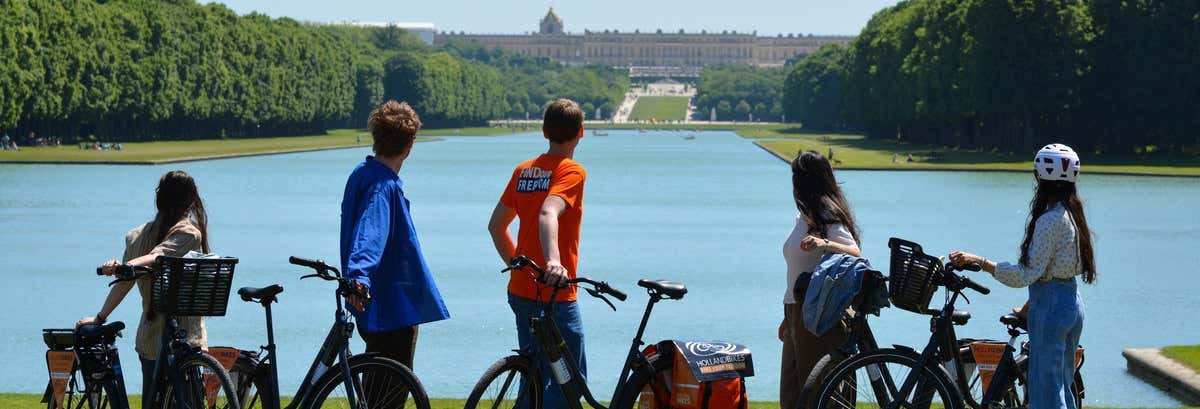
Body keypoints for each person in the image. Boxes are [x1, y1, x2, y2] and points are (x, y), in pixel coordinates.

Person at [949, 143, 1094, 409]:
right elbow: (1051, 272)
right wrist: (1029, 306)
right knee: (1062, 386)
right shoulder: (1072, 214)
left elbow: (1025, 275)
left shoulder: (1050, 219)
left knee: (1046, 394)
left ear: (1040, 178)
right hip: (1070, 301)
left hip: (1051, 307)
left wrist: (981, 262)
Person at [76, 170, 212, 400]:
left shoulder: (137, 236)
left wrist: (101, 316)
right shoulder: (189, 233)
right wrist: (124, 268)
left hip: (151, 336)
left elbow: (131, 277)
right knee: (186, 400)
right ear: (190, 201)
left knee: (156, 398)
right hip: (185, 336)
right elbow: (157, 257)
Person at [488, 99, 588, 409]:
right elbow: (549, 212)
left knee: (532, 376)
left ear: (544, 131)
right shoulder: (571, 171)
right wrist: (554, 262)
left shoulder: (524, 170)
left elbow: (495, 226)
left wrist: (517, 266)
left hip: (521, 288)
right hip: (556, 294)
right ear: (581, 133)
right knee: (568, 381)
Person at [340, 100, 450, 376]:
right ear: (410, 144)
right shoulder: (382, 186)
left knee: (378, 390)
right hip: (390, 305)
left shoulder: (362, 173)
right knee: (390, 392)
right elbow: (370, 233)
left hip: (374, 304)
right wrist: (360, 277)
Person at [779, 150, 862, 409]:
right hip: (795, 309)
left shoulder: (827, 216)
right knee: (791, 393)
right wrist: (786, 316)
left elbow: (855, 252)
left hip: (817, 312)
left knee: (815, 395)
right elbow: (795, 268)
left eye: (797, 177)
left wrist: (824, 242)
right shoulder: (802, 218)